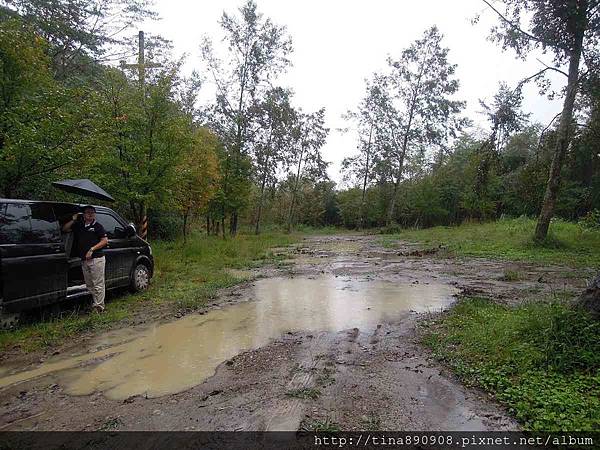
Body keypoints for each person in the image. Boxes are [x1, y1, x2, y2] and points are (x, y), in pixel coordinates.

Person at [62, 205, 108, 313]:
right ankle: (95, 303)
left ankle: (99, 307)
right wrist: (73, 219)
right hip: (84, 259)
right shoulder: (79, 226)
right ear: (83, 214)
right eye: (88, 212)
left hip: (97, 258)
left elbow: (105, 240)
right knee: (89, 284)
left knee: (98, 284)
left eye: (92, 212)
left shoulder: (98, 226)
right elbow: (65, 229)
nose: (90, 214)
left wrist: (92, 249)